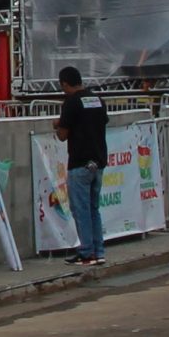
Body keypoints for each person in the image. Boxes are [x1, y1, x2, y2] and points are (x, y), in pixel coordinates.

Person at [55, 66, 112, 266]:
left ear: (64, 83)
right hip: (99, 161)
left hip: (79, 163)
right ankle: (99, 251)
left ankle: (86, 252)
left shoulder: (71, 102)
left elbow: (62, 135)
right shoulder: (97, 100)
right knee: (94, 208)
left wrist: (56, 125)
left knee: (81, 209)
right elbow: (102, 122)